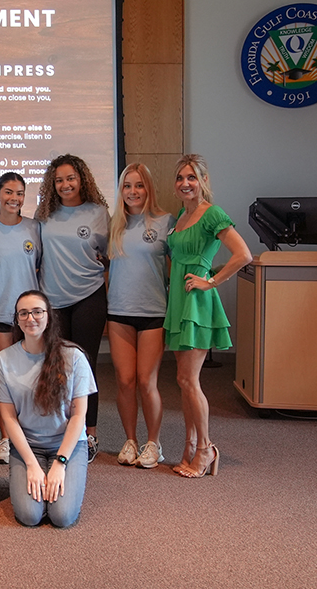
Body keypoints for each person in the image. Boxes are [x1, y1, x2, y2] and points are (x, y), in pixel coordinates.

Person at [165, 154, 252, 478]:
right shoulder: (181, 216)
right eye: (180, 178)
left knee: (189, 380)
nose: (185, 183)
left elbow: (243, 254)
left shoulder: (211, 213)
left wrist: (211, 280)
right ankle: (190, 446)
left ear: (203, 181)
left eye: (191, 177)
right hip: (179, 299)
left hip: (197, 303)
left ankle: (205, 449)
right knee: (182, 380)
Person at [0, 291, 95, 528]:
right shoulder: (4, 360)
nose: (31, 318)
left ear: (49, 316)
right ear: (17, 320)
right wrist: (30, 463)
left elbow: (79, 415)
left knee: (62, 517)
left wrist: (60, 463)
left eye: (38, 311)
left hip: (68, 446)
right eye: (24, 313)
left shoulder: (74, 356)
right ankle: (39, 474)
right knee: (30, 516)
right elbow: (8, 417)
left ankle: (62, 476)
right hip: (27, 446)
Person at [35, 154, 110, 463]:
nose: (65, 184)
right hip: (53, 302)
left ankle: (89, 434)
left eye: (71, 178)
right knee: (57, 369)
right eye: (59, 180)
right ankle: (62, 431)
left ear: (82, 179)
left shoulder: (99, 213)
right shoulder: (44, 215)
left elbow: (108, 254)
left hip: (88, 297)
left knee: (85, 368)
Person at [107, 163, 175, 468]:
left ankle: (154, 443)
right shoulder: (114, 225)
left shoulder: (165, 221)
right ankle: (131, 440)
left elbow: (181, 261)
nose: (133, 192)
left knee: (147, 381)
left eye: (139, 185)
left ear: (148, 189)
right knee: (124, 380)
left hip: (154, 312)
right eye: (127, 186)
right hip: (119, 311)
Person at [0, 171, 42, 464]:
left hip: (31, 318)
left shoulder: (34, 228)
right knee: (4, 380)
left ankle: (32, 435)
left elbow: (39, 265)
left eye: (20, 193)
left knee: (33, 378)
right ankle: (5, 438)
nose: (14, 199)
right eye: (9, 192)